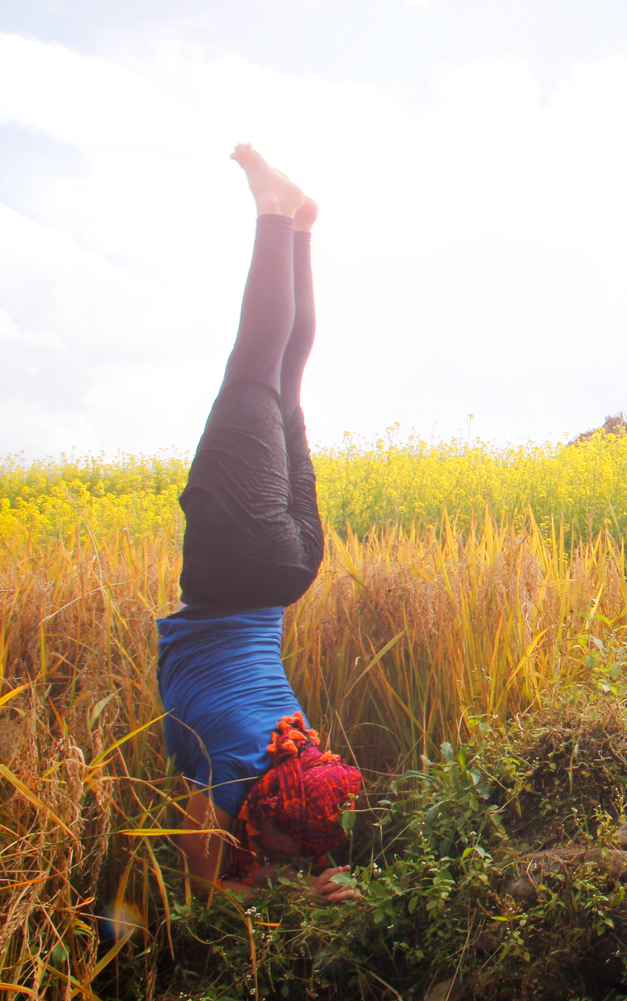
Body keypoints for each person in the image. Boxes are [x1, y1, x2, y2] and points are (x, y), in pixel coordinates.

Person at [157, 145, 361, 903]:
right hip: (238, 569)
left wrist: (322, 879)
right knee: (252, 367)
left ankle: (301, 226)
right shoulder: (237, 784)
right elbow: (205, 891)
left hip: (290, 574)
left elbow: (291, 832)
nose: (294, 850)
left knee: (283, 384)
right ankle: (274, 212)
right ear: (262, 812)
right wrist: (283, 894)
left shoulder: (293, 758)